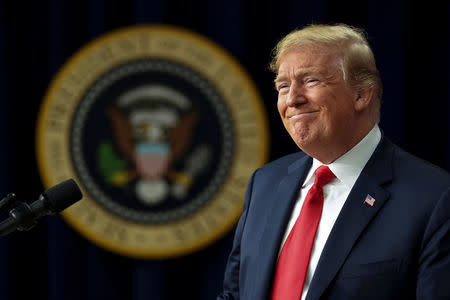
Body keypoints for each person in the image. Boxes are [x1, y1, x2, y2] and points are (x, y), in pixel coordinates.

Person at [217, 24, 450, 300]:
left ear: (362, 94)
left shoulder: (435, 197)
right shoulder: (264, 184)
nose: (292, 99)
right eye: (283, 86)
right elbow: (234, 294)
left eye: (311, 81)